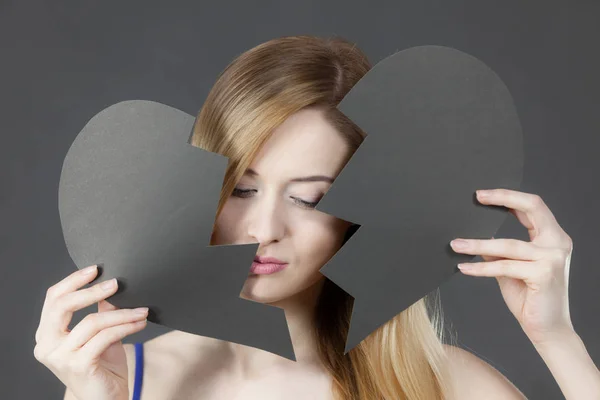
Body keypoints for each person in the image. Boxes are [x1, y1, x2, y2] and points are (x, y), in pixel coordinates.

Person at [34, 35, 600, 400]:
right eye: (241, 189)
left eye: (309, 199)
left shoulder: (445, 385)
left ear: (363, 214)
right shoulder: (123, 382)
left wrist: (557, 339)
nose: (263, 229)